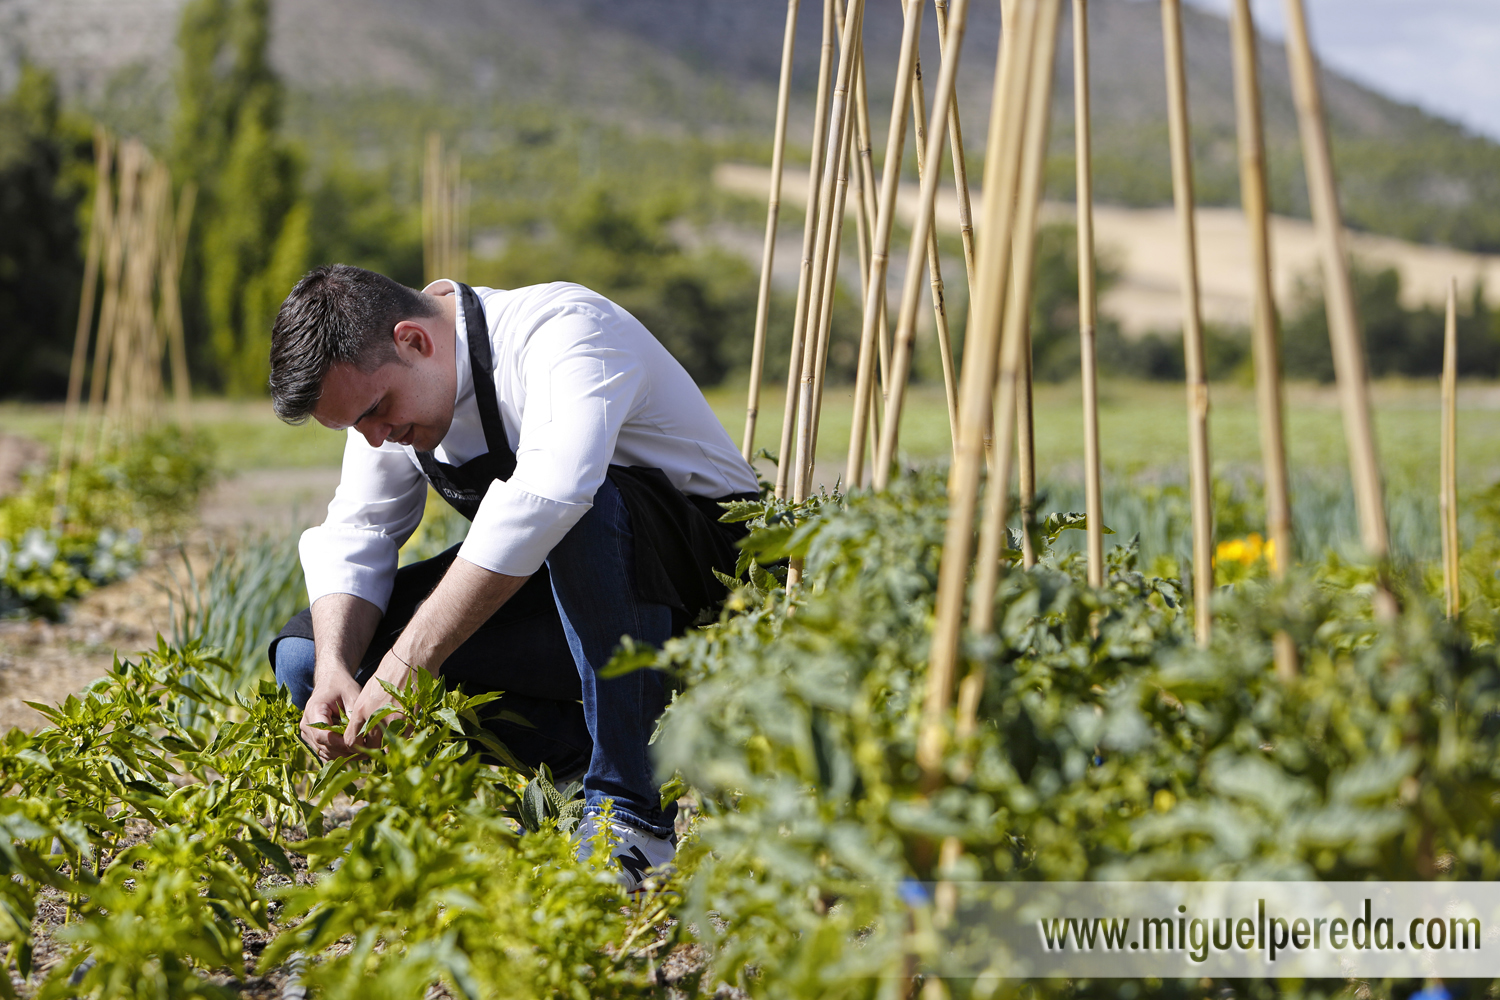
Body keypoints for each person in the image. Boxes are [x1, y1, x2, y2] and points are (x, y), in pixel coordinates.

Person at [264, 265, 759, 890]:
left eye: (376, 412)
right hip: (563, 598)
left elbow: (554, 494)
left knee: (577, 508)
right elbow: (359, 531)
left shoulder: (564, 331)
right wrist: (340, 663)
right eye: (356, 427)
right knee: (308, 657)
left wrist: (410, 662)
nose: (375, 437)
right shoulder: (394, 399)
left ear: (413, 340)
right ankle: (565, 779)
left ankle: (630, 811)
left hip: (700, 588)